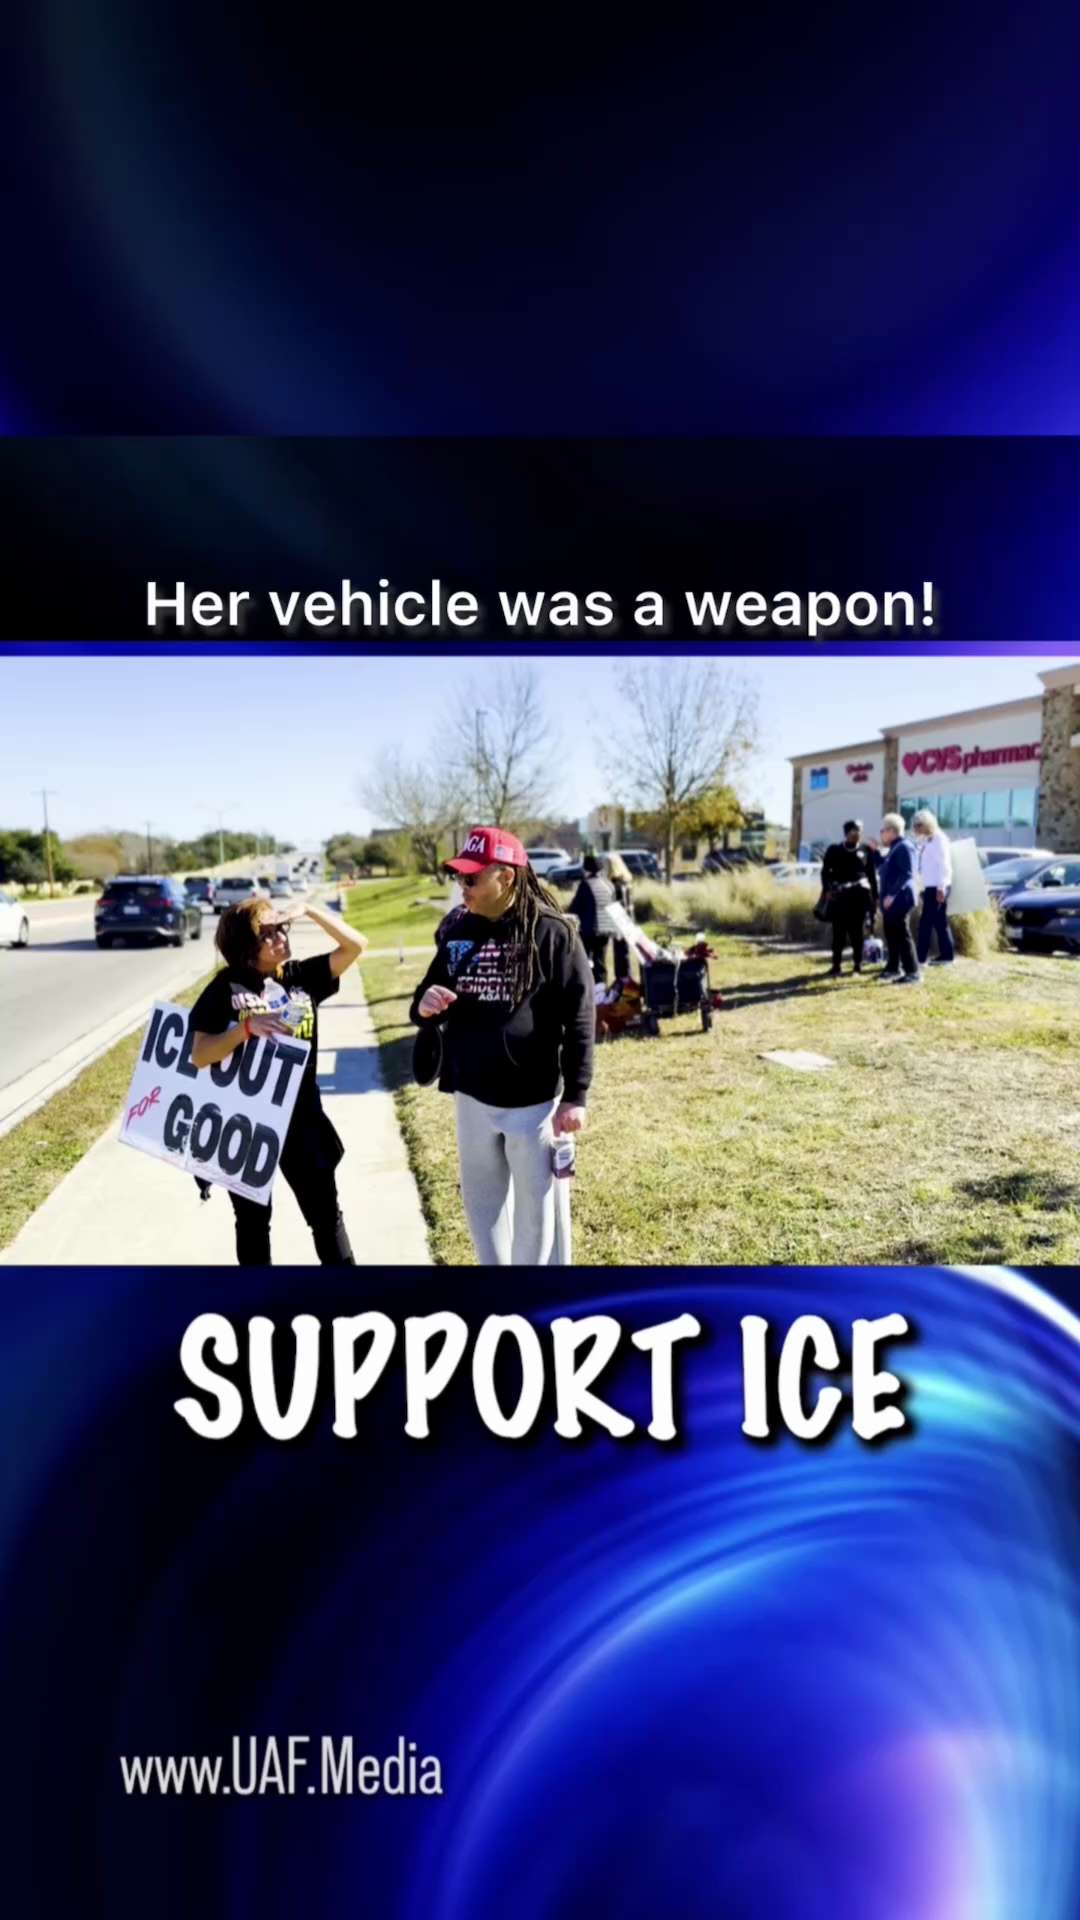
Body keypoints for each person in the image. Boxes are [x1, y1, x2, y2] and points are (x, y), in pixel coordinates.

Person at [410, 825, 594, 1265]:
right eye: (460, 878)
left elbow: (581, 1017)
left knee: (536, 1218)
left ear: (507, 876)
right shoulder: (458, 932)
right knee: (483, 1211)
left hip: (531, 1103)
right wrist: (425, 1004)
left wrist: (577, 1095)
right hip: (471, 1095)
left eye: (472, 879)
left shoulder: (553, 934)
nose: (463, 887)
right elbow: (424, 996)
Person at [188, 894, 367, 1263]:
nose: (280, 936)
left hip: (303, 1120)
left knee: (325, 1216)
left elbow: (356, 946)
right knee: (253, 1222)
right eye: (266, 932)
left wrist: (310, 910)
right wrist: (246, 1029)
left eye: (281, 927)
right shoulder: (224, 989)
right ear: (244, 945)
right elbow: (200, 1053)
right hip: (248, 1125)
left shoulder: (301, 977)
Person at [821, 817, 878, 976]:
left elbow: (872, 876)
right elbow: (825, 873)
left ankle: (857, 966)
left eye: (860, 830)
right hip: (839, 898)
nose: (857, 833)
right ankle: (836, 965)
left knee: (856, 934)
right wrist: (828, 889)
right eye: (854, 830)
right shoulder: (834, 850)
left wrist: (875, 897)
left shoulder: (866, 850)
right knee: (838, 934)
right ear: (847, 833)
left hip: (858, 899)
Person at [876, 812, 921, 985]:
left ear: (892, 831)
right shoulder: (894, 848)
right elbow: (883, 868)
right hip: (892, 900)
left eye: (883, 830)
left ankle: (913, 972)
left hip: (901, 898)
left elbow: (907, 873)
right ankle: (893, 967)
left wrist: (892, 894)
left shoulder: (904, 846)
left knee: (902, 934)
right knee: (892, 933)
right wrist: (874, 853)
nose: (881, 833)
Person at [912, 807, 955, 967]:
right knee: (939, 922)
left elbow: (944, 865)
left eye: (918, 825)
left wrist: (942, 887)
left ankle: (920, 958)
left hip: (938, 886)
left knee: (926, 923)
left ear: (927, 824)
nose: (916, 829)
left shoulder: (939, 839)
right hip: (931, 886)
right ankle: (947, 956)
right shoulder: (928, 839)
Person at [569, 853, 618, 982]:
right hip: (606, 929)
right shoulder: (608, 884)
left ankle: (590, 990)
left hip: (590, 930)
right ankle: (601, 991)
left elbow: (575, 908)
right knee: (600, 962)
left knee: (586, 963)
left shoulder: (585, 884)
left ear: (586, 869)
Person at [605, 851, 634, 977]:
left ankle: (623, 984)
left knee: (620, 956)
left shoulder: (615, 885)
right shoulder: (626, 881)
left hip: (620, 923)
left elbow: (617, 906)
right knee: (624, 955)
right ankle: (626, 981)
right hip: (628, 922)